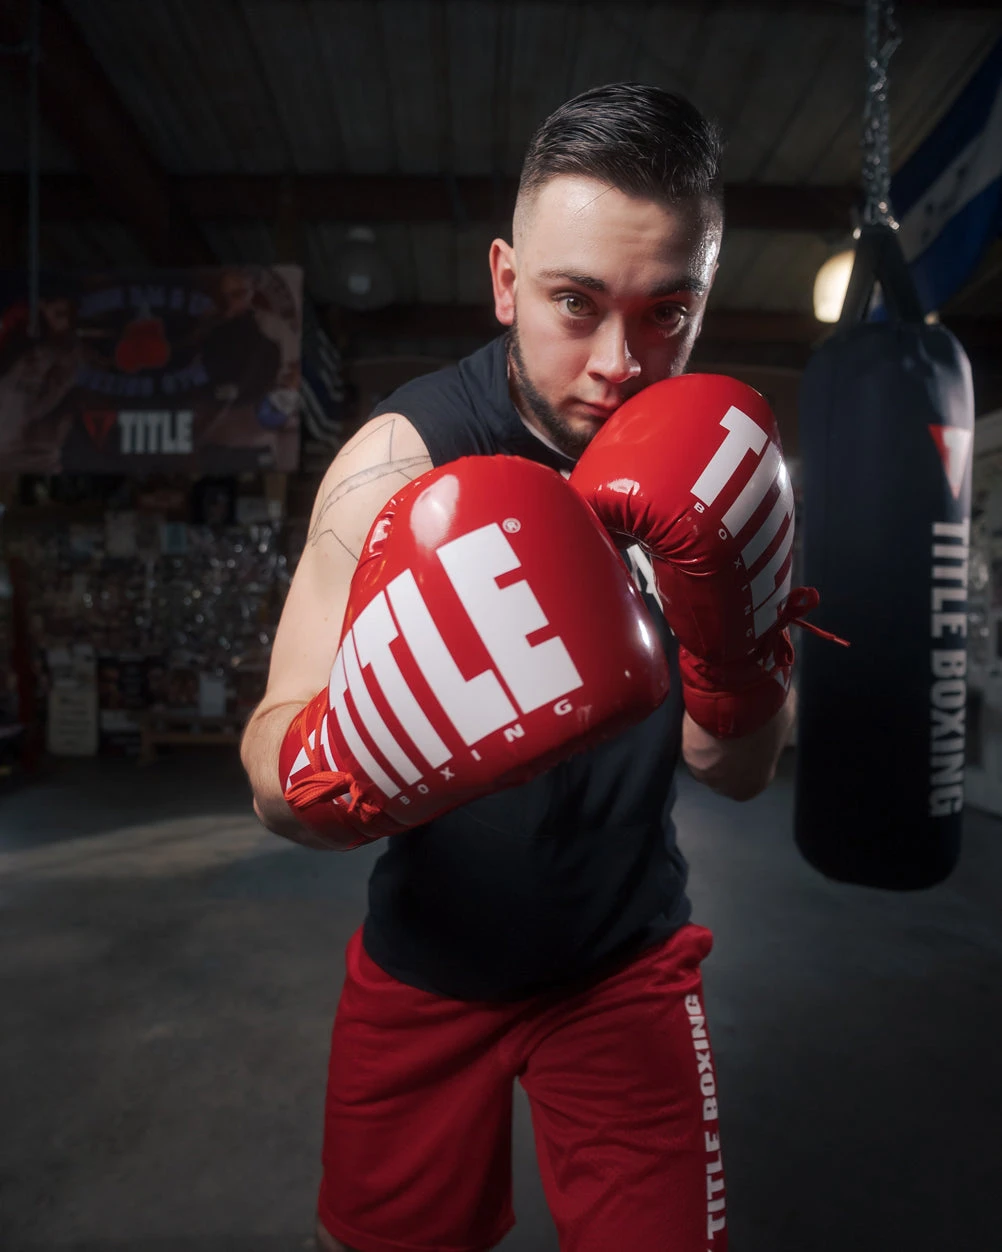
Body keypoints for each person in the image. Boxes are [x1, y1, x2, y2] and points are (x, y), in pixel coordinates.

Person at [241, 83, 797, 1252]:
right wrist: (356, 755)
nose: (619, 363)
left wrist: (741, 649)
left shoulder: (714, 468)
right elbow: (270, 782)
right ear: (505, 281)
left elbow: (735, 771)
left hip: (625, 962)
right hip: (425, 964)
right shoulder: (400, 466)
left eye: (667, 312)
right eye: (574, 302)